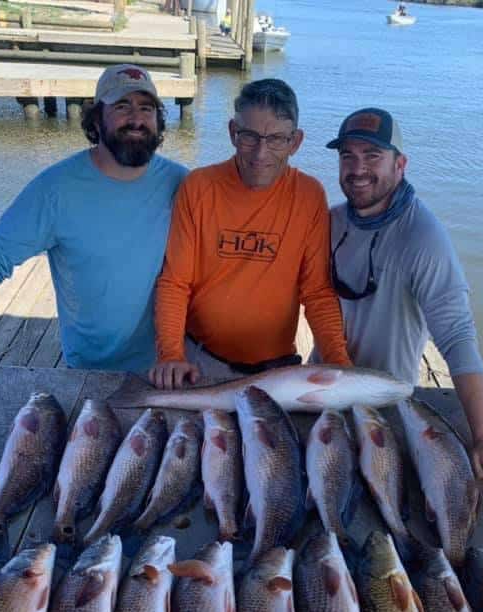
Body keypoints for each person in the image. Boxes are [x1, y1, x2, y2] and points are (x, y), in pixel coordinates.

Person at [0, 65, 187, 373]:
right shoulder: (54, 189)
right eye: (122, 107)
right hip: (91, 369)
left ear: (158, 120)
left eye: (146, 108)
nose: (136, 119)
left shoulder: (183, 184)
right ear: (96, 119)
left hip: (172, 365)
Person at [321, 107, 483, 491]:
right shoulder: (329, 223)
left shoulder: (424, 238)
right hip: (324, 393)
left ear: (400, 164)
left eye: (372, 156)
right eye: (348, 156)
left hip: (387, 402)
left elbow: (457, 335)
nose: (357, 168)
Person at [150, 78, 351, 390]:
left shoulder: (309, 195)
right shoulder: (199, 187)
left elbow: (317, 293)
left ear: (295, 142)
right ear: (233, 132)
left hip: (275, 370)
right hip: (200, 362)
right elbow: (175, 282)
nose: (260, 153)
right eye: (249, 137)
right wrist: (171, 355)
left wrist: (338, 361)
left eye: (276, 139)